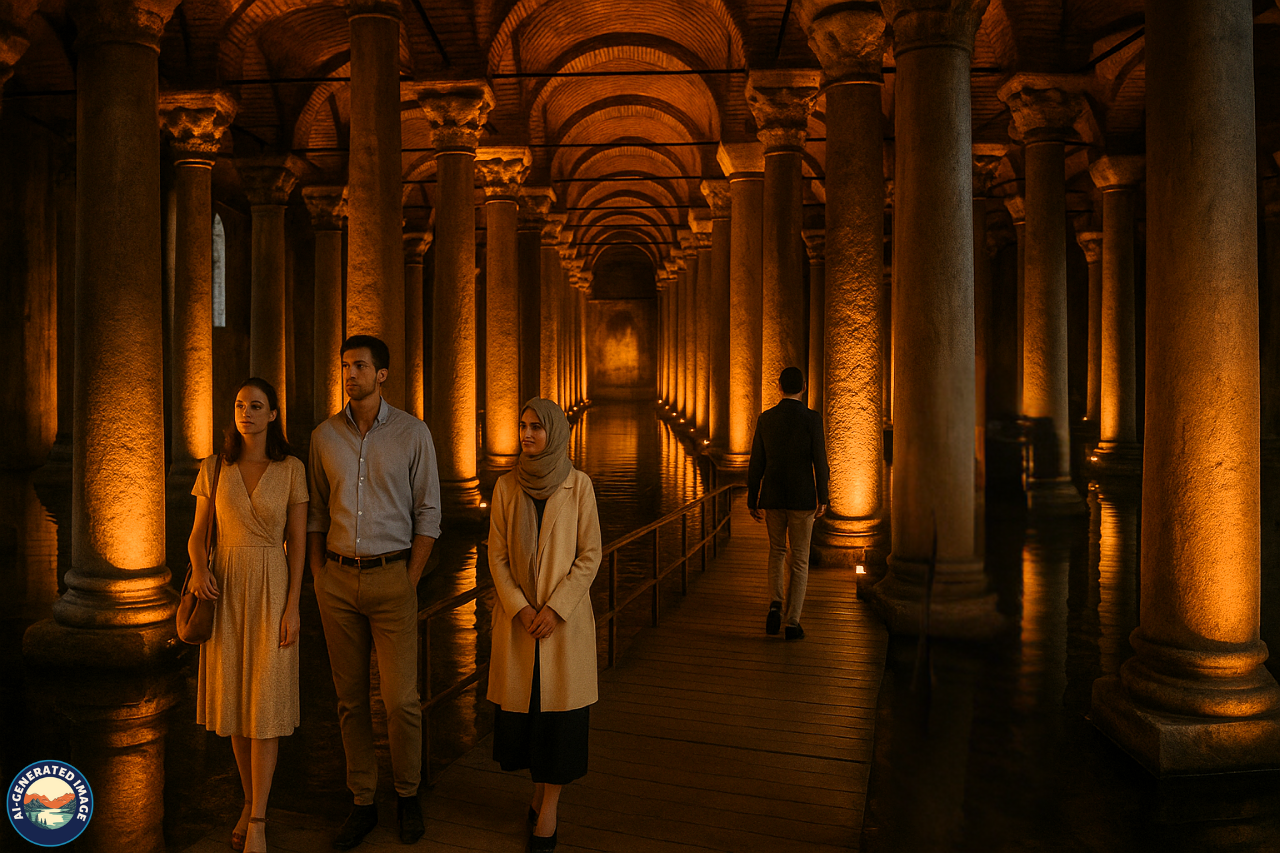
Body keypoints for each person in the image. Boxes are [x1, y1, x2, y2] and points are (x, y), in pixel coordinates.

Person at [307, 335, 442, 850]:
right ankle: (362, 800)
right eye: (345, 366)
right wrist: (319, 574)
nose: (350, 374)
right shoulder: (324, 436)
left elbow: (429, 514)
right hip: (337, 581)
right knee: (349, 701)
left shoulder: (412, 433)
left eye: (360, 366)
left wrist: (409, 579)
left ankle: (407, 796)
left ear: (382, 374)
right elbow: (317, 511)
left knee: (402, 700)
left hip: (393, 578)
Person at [188, 377, 309, 853]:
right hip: (225, 587)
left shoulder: (292, 468)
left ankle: (258, 818)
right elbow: (199, 534)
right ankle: (249, 800)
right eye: (240, 405)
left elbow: (297, 543)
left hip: (273, 585)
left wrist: (295, 605)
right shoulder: (214, 467)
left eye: (256, 406)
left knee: (267, 705)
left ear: (273, 414)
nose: (246, 412)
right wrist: (198, 569)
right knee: (236, 706)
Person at [487, 398, 602, 853]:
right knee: (530, 718)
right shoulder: (506, 487)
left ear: (555, 432)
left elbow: (590, 554)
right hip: (520, 625)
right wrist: (519, 607)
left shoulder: (579, 486)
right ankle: (538, 796)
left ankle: (548, 813)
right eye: (523, 425)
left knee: (560, 722)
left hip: (562, 626)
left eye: (537, 427)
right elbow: (495, 554)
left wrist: (555, 609)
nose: (528, 434)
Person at [746, 366, 830, 640]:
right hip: (803, 497)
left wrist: (752, 496)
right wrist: (823, 496)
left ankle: (775, 603)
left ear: (779, 387)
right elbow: (820, 460)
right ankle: (793, 622)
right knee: (800, 560)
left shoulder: (766, 419)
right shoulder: (812, 419)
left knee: (777, 551)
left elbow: (757, 460)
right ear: (804, 387)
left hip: (773, 496)